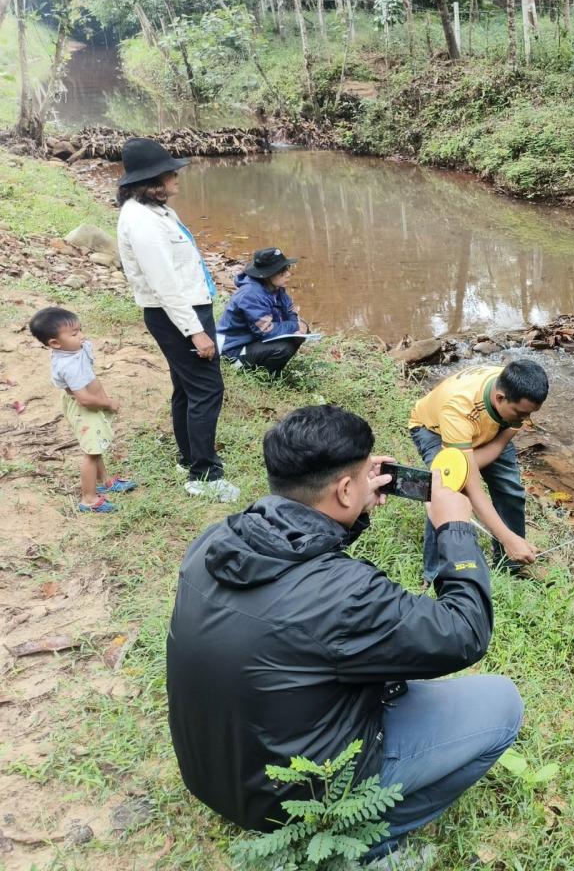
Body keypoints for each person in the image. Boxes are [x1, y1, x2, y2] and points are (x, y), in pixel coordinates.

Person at [166, 405, 521, 860]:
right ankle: (371, 841)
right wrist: (454, 530)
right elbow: (464, 632)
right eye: (359, 476)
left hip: (210, 773)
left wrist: (349, 512)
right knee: (502, 704)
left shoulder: (215, 539)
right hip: (290, 803)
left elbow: (297, 558)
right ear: (345, 488)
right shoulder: (347, 595)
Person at [115, 137, 238, 502]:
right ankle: (204, 474)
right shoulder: (142, 222)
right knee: (207, 389)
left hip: (185, 309)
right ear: (152, 180)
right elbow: (164, 285)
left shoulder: (155, 211)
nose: (176, 178)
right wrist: (195, 332)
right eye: (170, 173)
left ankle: (189, 458)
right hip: (177, 314)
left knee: (187, 387)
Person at [408, 360, 547, 579]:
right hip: (435, 430)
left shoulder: (517, 395)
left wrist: (467, 465)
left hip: (490, 429)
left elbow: (498, 446)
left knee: (510, 489)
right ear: (499, 398)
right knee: (447, 493)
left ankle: (512, 563)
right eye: (521, 414)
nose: (526, 420)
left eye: (530, 414)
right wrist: (505, 537)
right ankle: (435, 575)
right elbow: (471, 487)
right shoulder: (458, 408)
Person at [28, 306, 136, 513]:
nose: (82, 336)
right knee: (91, 453)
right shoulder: (68, 365)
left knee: (96, 447)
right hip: (86, 410)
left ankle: (104, 480)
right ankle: (89, 499)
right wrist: (108, 403)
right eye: (74, 334)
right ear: (55, 343)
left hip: (92, 406)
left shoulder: (72, 349)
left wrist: (79, 340)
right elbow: (85, 400)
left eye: (80, 330)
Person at [217, 246, 309, 376]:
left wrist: (299, 326)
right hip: (234, 350)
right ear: (267, 274)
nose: (288, 274)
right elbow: (266, 331)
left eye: (287, 269)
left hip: (253, 341)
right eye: (282, 271)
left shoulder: (276, 288)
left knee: (301, 331)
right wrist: (295, 326)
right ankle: (263, 378)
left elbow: (290, 310)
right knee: (283, 348)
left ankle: (273, 372)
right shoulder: (251, 294)